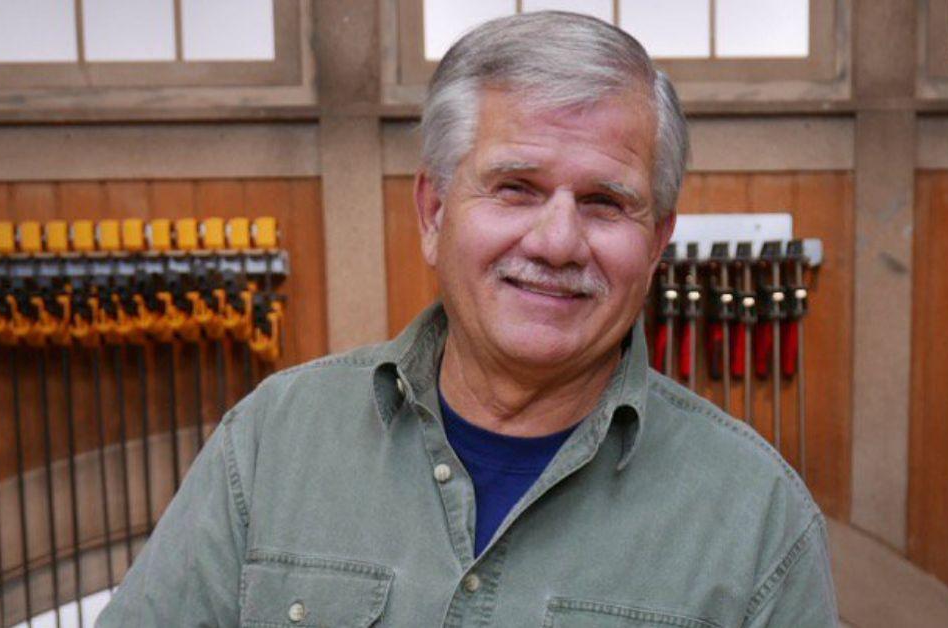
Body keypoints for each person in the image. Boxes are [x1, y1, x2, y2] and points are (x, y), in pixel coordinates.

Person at [99, 11, 837, 627]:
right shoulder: (272, 444)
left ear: (656, 244)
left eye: (605, 202)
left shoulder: (758, 521)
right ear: (434, 211)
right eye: (515, 187)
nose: (556, 241)